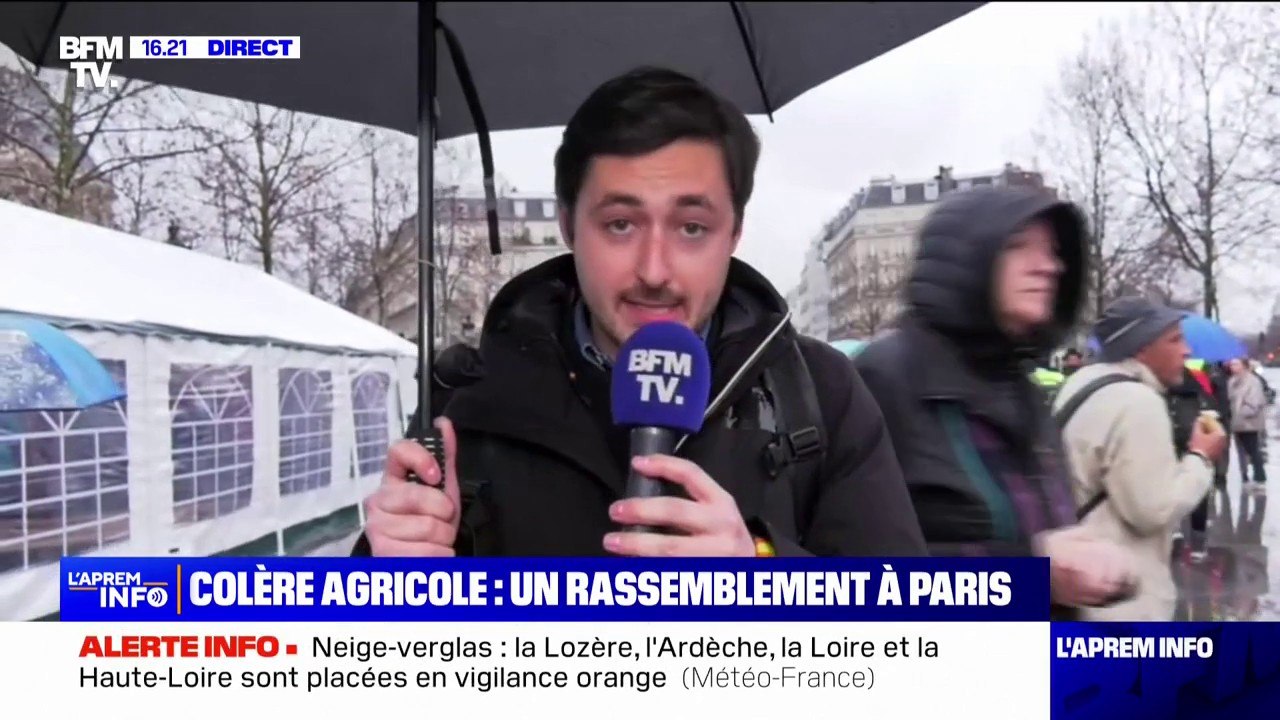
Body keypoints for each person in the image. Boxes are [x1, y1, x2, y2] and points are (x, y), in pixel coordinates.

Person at [353, 66, 927, 558]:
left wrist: (764, 568)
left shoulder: (821, 394)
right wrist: (392, 575)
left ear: (735, 231)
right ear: (567, 224)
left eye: (692, 228)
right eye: (620, 224)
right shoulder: (463, 403)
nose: (654, 270)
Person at [854, 186, 1136, 615]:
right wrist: (1029, 572)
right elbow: (852, 574)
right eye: (1020, 247)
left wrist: (1095, 569)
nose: (1050, 267)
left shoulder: (1019, 382)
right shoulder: (886, 377)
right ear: (966, 262)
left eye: (1055, 251)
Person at [1053, 297, 1229, 621]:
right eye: (1174, 339)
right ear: (1141, 348)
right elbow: (1153, 511)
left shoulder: (1081, 384)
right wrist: (1201, 457)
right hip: (1122, 602)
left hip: (1080, 584)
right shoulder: (1137, 402)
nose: (1187, 351)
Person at [1228, 357, 1269, 492]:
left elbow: (1255, 402)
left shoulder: (1252, 381)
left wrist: (1241, 414)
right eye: (1232, 364)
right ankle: (1244, 477)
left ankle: (1260, 477)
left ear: (1244, 365)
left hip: (1249, 422)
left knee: (1253, 450)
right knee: (1240, 451)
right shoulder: (1232, 381)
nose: (1232, 366)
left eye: (1236, 363)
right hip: (1236, 422)